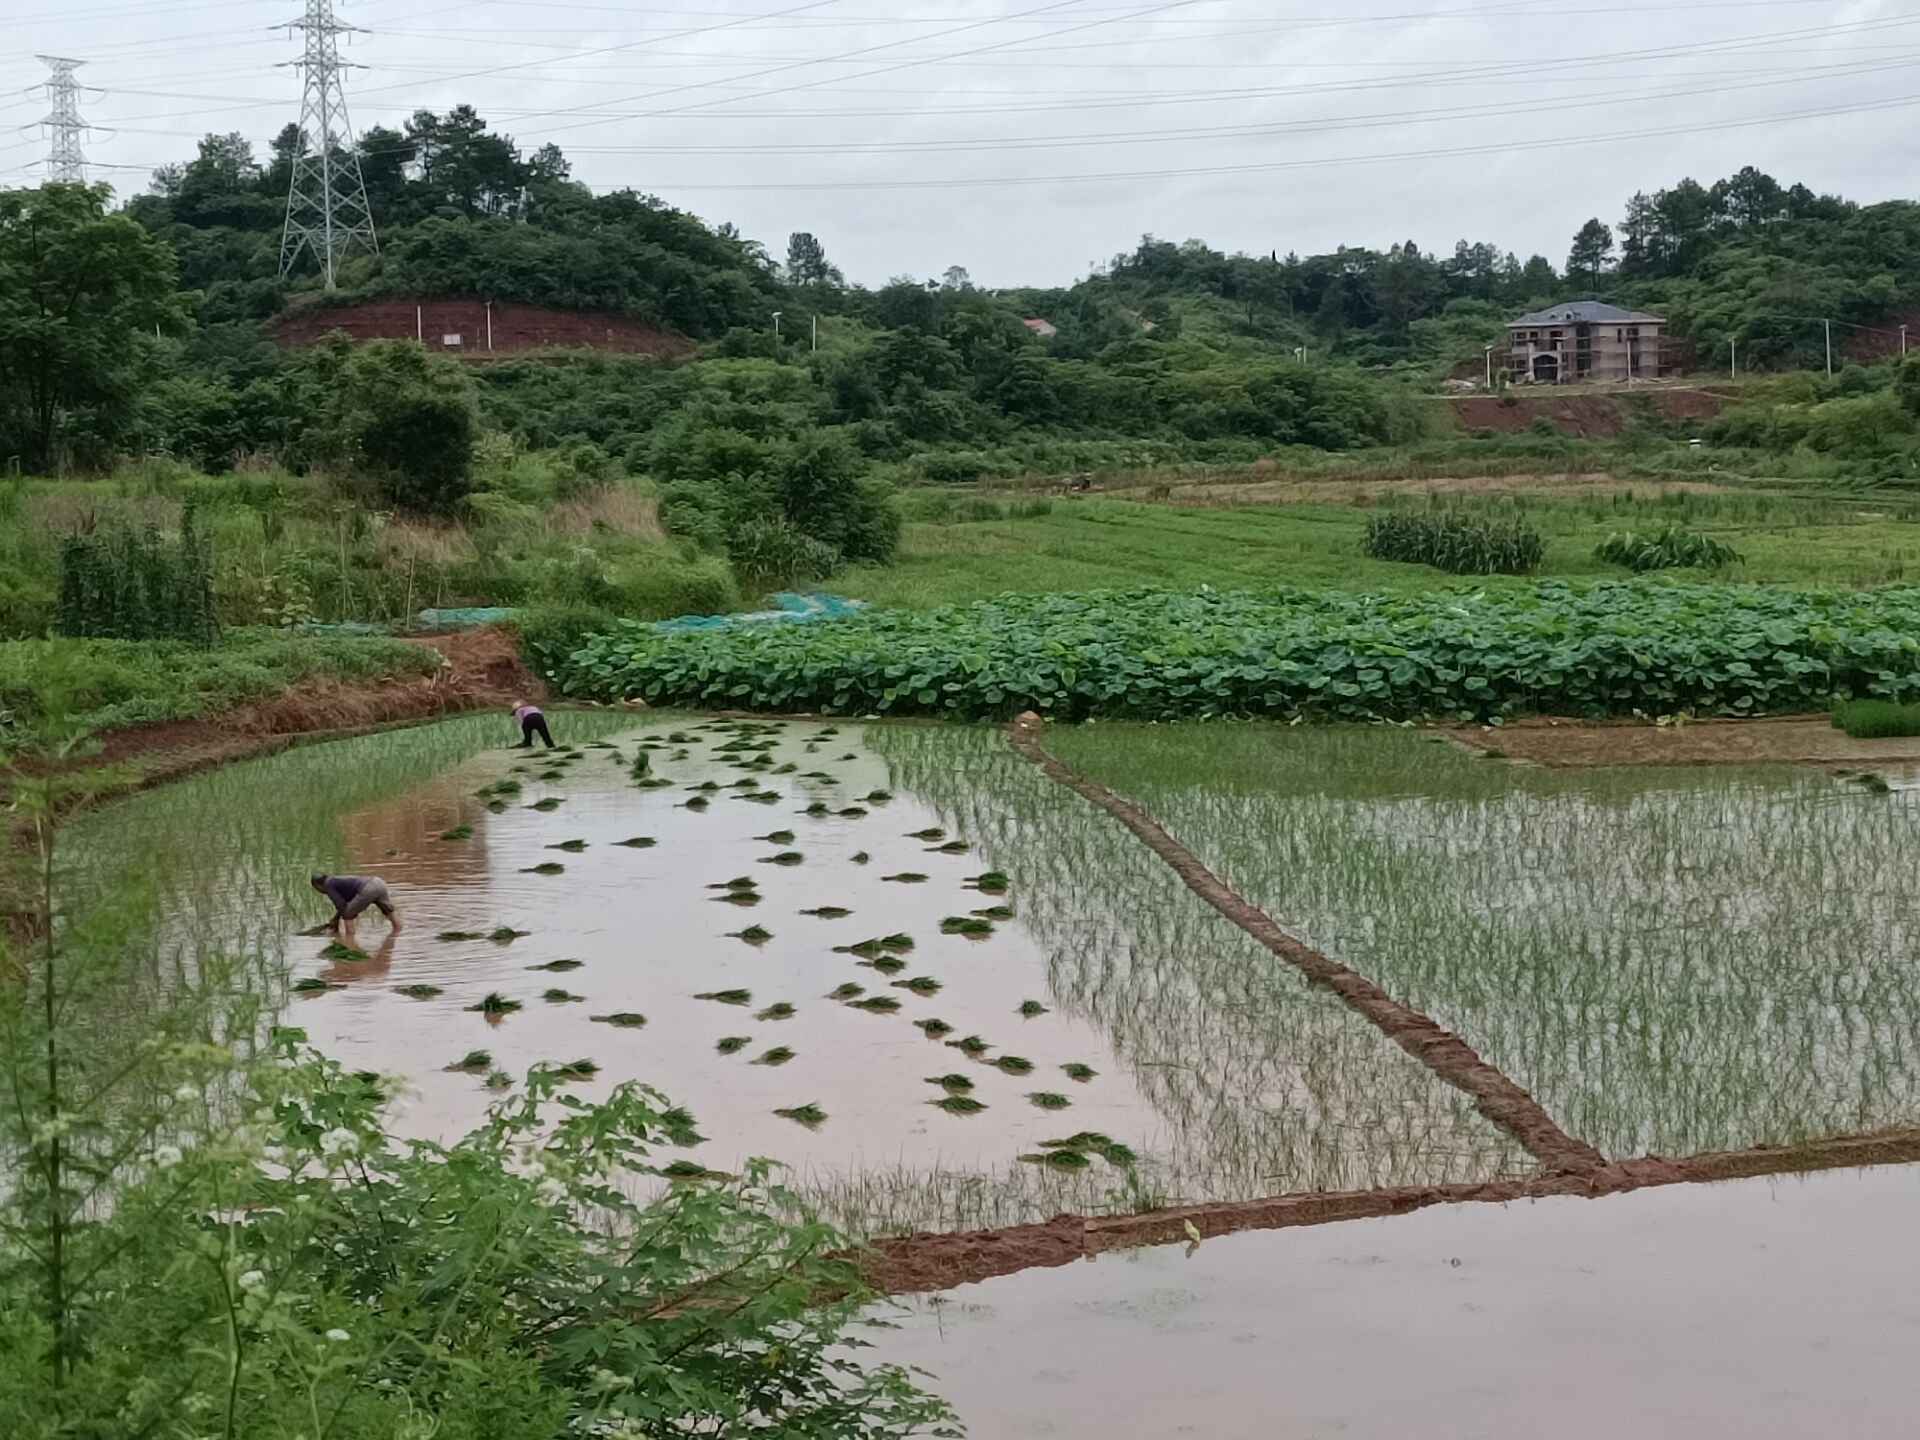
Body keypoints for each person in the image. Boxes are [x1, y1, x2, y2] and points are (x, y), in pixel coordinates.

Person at [311, 874, 402, 944]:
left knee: (348, 916)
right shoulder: (336, 881)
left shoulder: (328, 886)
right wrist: (336, 919)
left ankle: (350, 941)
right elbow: (345, 904)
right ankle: (398, 932)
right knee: (388, 911)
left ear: (318, 886)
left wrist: (336, 921)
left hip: (368, 889)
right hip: (378, 882)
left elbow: (342, 907)